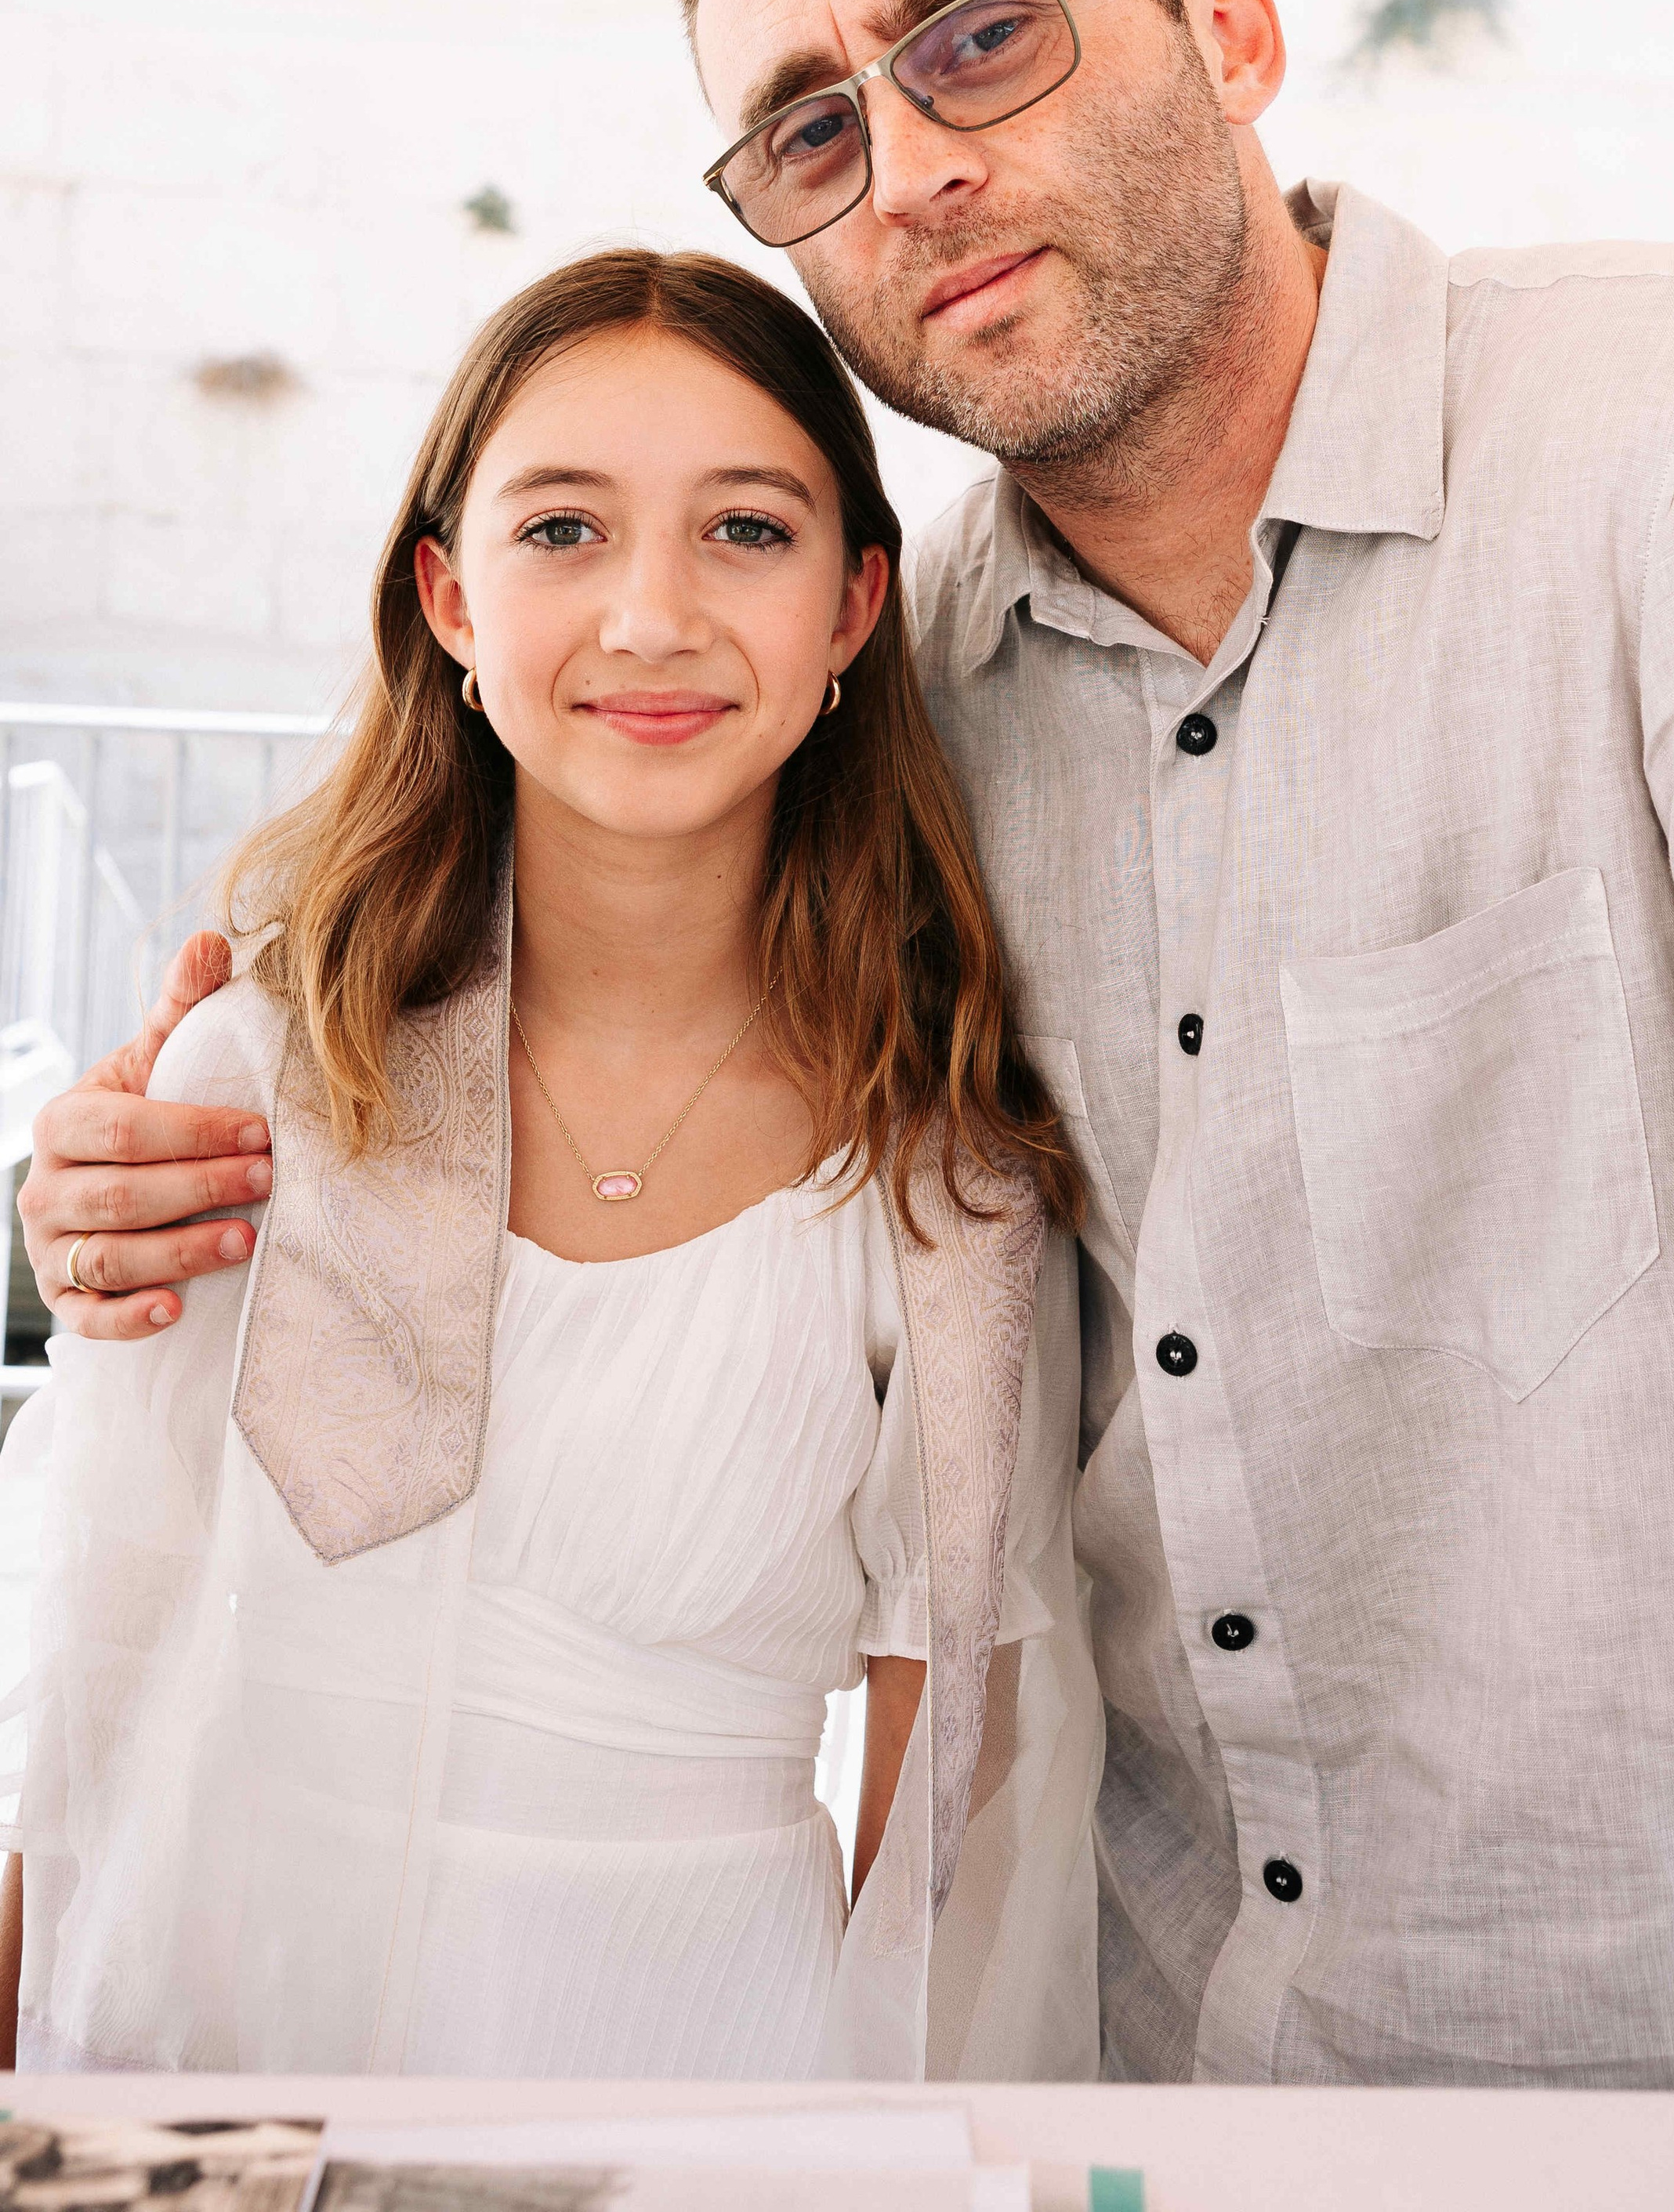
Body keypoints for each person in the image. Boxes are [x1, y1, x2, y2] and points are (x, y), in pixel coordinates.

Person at [24, 0, 1674, 2096]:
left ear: (1234, 29)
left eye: (983, 34)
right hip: (1167, 2076)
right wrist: (123, 1175)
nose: (916, 163)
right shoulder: (906, 699)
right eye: (811, 128)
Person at [0, 244, 1100, 2080]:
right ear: (445, 594)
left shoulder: (938, 1176)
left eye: (746, 531)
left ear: (853, 607)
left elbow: (936, 1823)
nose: (651, 618)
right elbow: (91, 1659)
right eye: (562, 531)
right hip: (223, 2030)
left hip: (701, 2068)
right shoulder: (264, 1068)